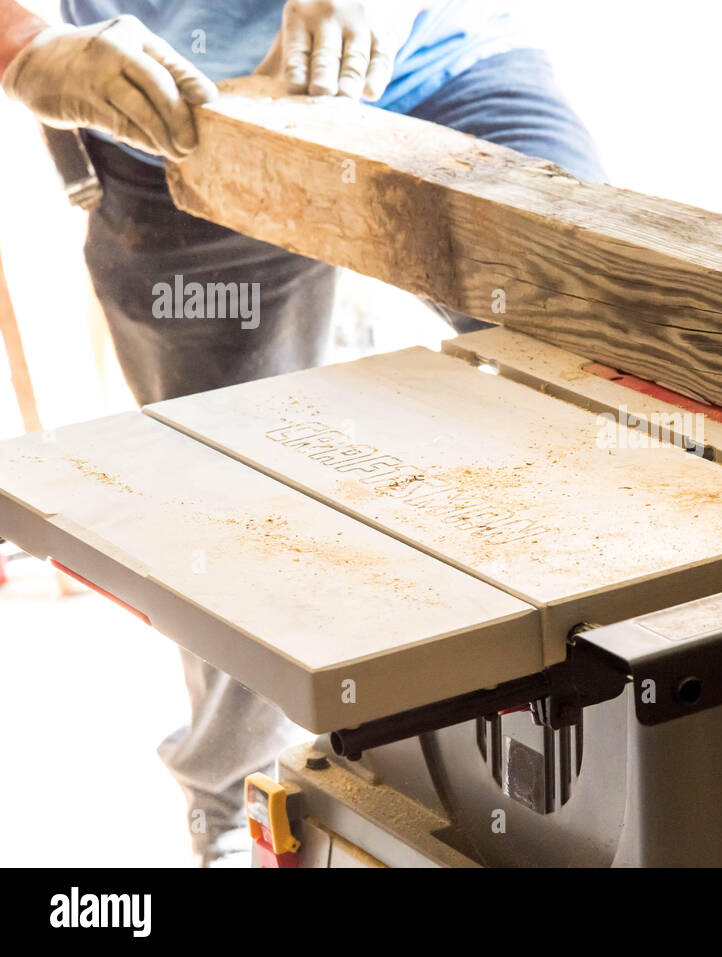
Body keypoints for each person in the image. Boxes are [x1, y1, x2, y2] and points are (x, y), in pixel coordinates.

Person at [0, 0, 604, 865]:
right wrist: (29, 48)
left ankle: (604, 776)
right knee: (230, 520)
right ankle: (242, 812)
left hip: (439, 58)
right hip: (178, 109)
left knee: (610, 373)